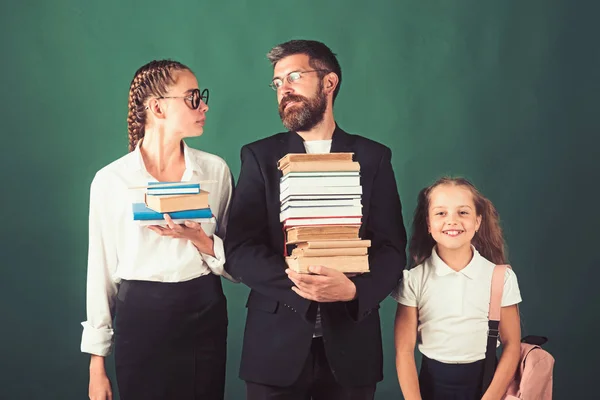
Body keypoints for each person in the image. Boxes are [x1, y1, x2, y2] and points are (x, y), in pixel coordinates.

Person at [224, 39, 407, 399]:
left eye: (294, 76)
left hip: (352, 349)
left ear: (329, 82)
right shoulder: (259, 157)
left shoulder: (373, 158)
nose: (284, 89)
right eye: (277, 83)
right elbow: (240, 247)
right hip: (273, 347)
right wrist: (304, 287)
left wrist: (354, 291)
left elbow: (392, 249)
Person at [81, 59, 233, 400]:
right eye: (192, 97)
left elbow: (237, 260)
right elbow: (100, 271)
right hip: (140, 316)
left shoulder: (215, 171)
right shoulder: (112, 180)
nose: (203, 105)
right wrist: (96, 364)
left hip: (204, 311)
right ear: (157, 107)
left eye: (201, 96)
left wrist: (199, 239)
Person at [393, 177, 522, 400]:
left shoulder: (501, 277)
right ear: (428, 223)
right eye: (441, 213)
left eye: (463, 212)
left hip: (488, 387)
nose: (452, 221)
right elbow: (404, 350)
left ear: (478, 221)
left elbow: (512, 345)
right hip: (430, 387)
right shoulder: (414, 279)